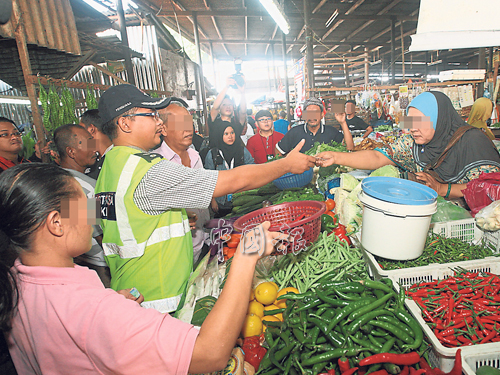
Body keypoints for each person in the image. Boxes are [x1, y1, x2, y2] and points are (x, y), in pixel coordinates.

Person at [0, 163, 288, 374]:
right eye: (82, 205)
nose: (93, 213)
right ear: (56, 223)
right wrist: (246, 257)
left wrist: (112, 312)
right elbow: (209, 353)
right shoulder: (93, 311)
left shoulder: (15, 282)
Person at [94, 84, 315, 313]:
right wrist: (286, 164)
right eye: (151, 116)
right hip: (158, 301)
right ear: (125, 123)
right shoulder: (147, 171)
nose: (159, 123)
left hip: (130, 292)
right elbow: (232, 181)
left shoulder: (111, 166)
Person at [316, 91, 500, 199]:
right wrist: (336, 157)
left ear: (439, 119)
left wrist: (443, 189)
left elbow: (492, 188)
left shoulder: (473, 141)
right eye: (410, 121)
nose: (412, 128)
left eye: (419, 121)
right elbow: (378, 156)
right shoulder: (414, 143)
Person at [152, 101, 210, 264]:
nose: (188, 129)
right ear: (163, 129)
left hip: (203, 239)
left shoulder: (194, 155)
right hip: (176, 252)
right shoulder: (156, 163)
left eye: (189, 123)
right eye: (180, 124)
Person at [53, 123, 111, 287]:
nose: (94, 149)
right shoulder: (77, 186)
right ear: (71, 151)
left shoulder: (70, 178)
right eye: (88, 143)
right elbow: (99, 232)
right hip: (99, 264)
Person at [205, 123, 255, 217]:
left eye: (232, 133)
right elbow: (208, 180)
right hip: (220, 201)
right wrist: (213, 201)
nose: (230, 136)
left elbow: (252, 171)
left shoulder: (242, 151)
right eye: (226, 134)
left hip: (241, 199)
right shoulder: (213, 154)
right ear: (220, 135)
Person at [276, 97, 354, 155]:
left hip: (326, 176)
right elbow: (278, 151)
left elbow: (349, 148)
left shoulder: (331, 132)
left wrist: (343, 123)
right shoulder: (294, 132)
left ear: (322, 115)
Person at [208, 76, 247, 150]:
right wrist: (226, 87)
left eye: (230, 104)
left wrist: (242, 93)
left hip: (236, 158)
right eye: (224, 105)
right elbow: (215, 108)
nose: (228, 107)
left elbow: (243, 112)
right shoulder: (214, 122)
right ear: (220, 108)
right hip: (217, 159)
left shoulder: (236, 123)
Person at [79, 109, 113, 180]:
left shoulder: (116, 157)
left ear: (91, 129)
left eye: (81, 130)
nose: (79, 136)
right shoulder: (90, 160)